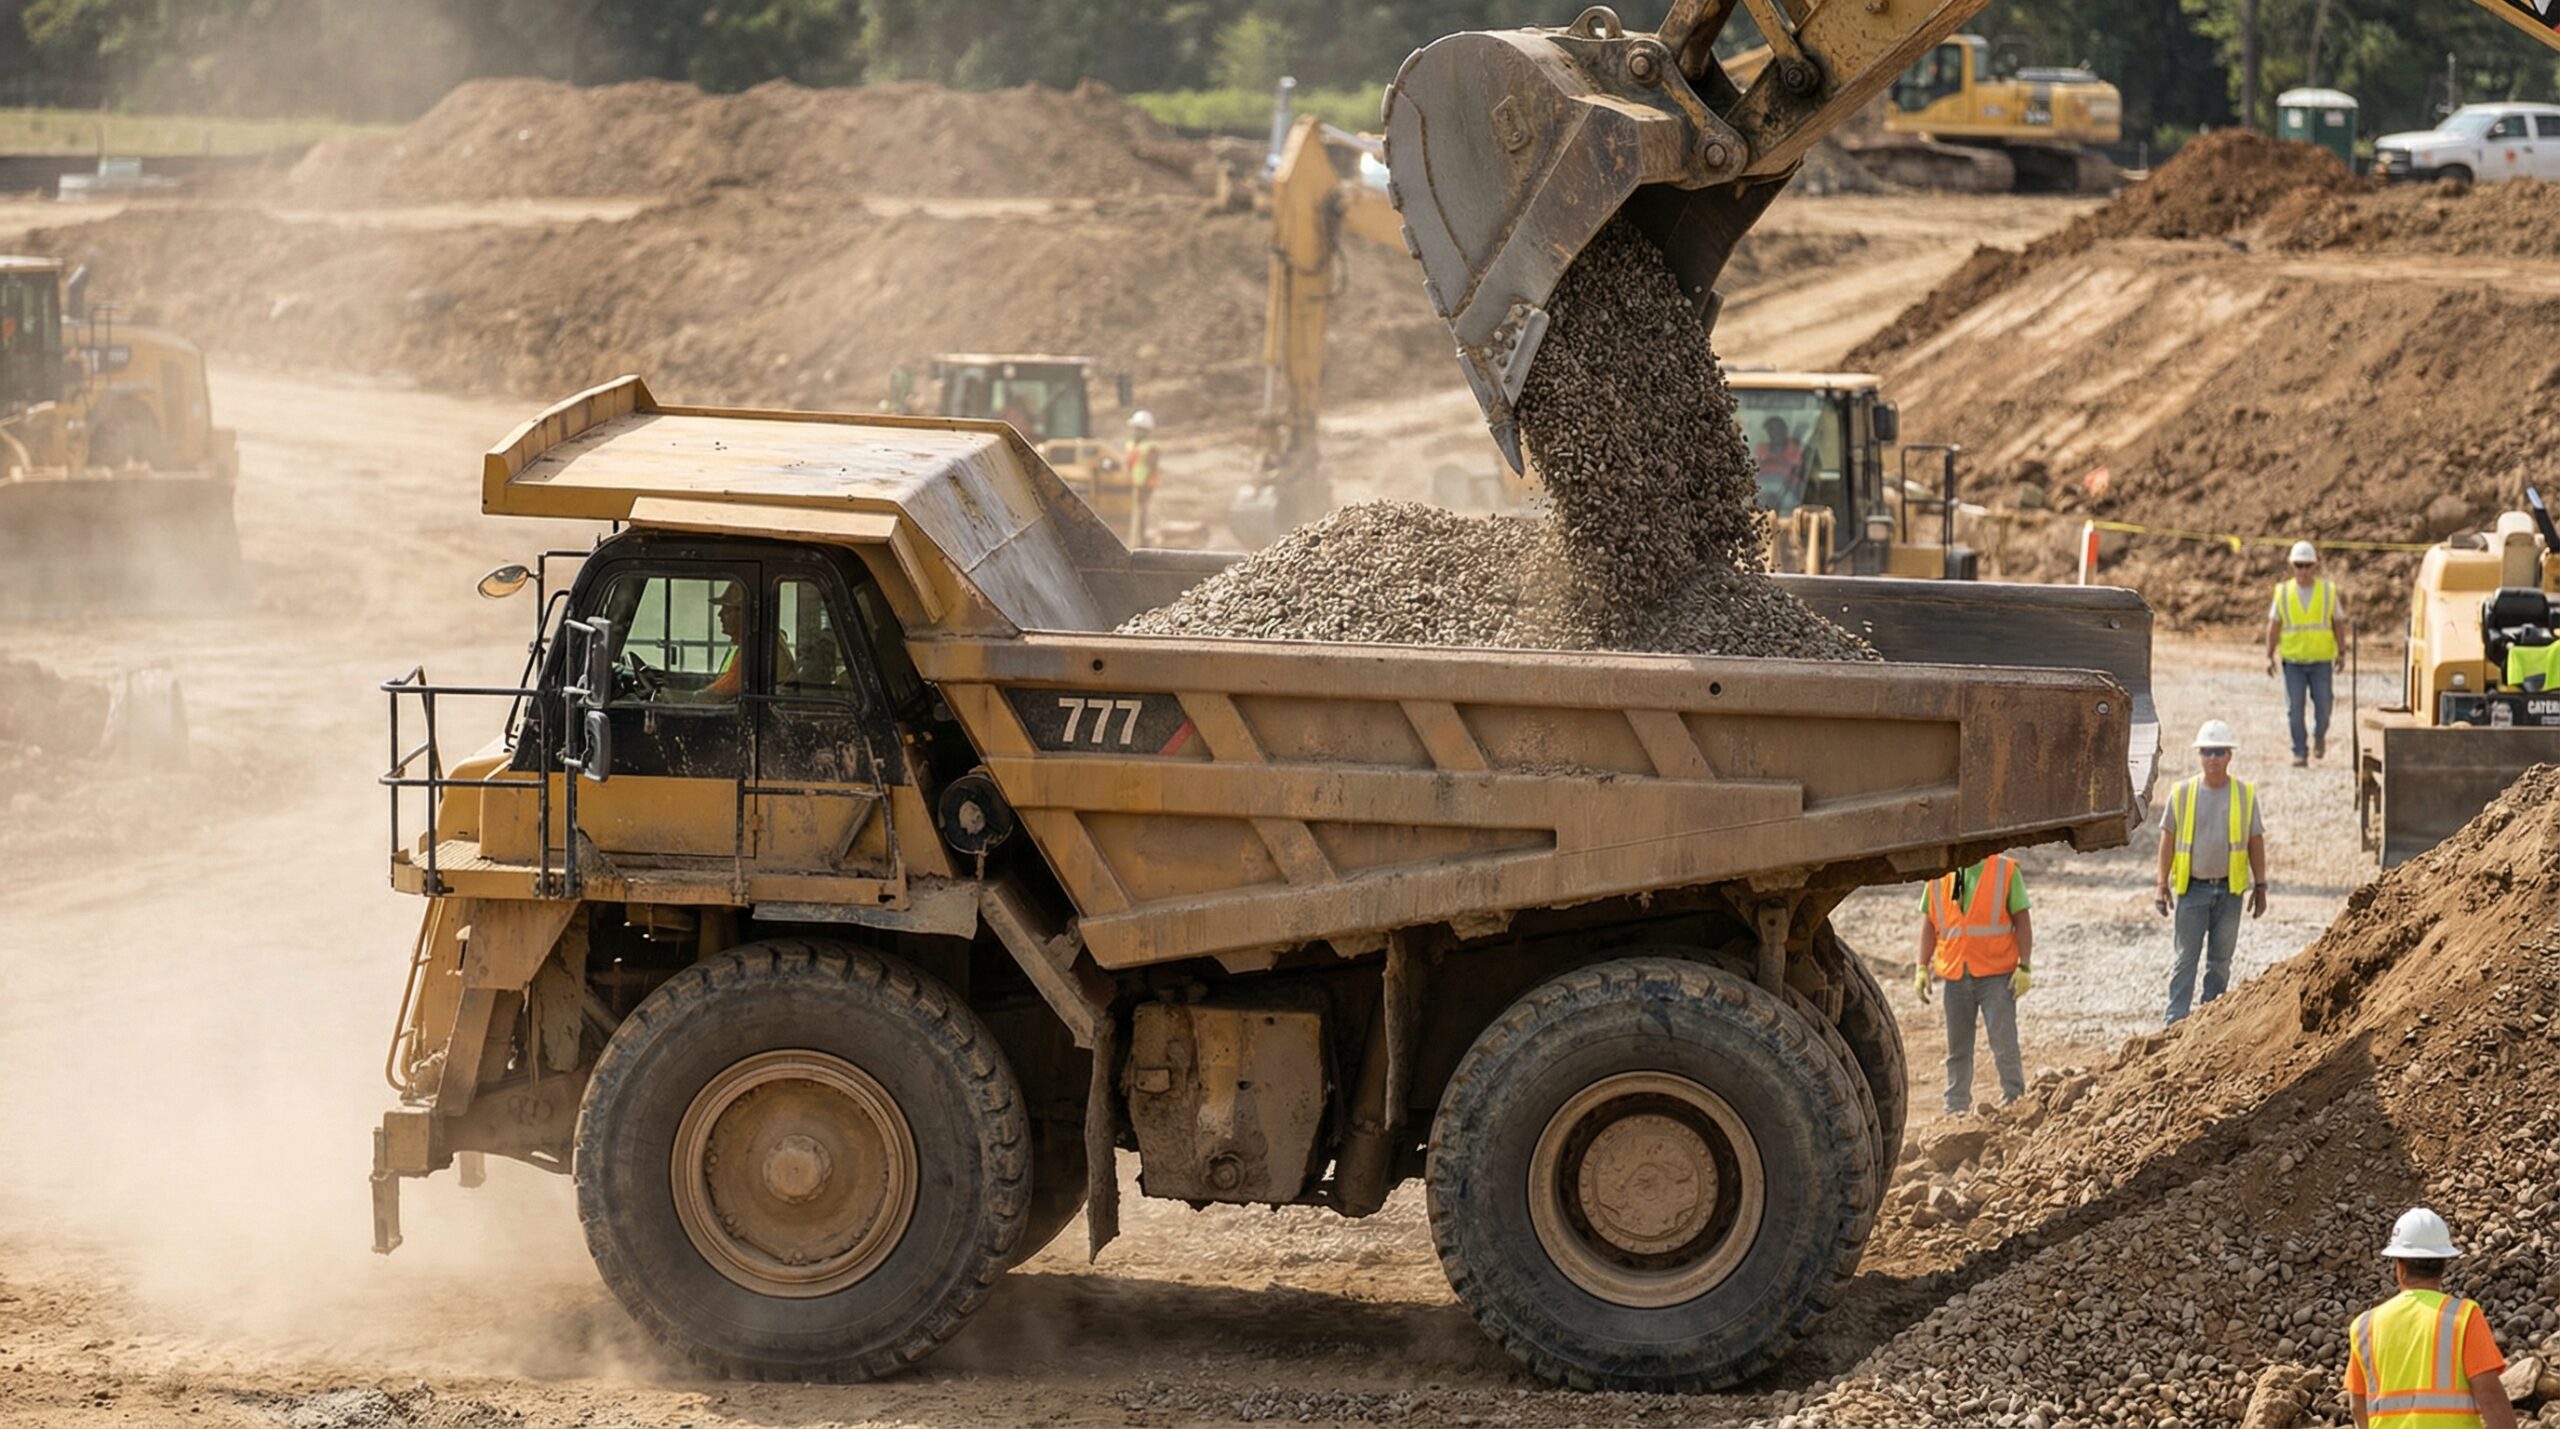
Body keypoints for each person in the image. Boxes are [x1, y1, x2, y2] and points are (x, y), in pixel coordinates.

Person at [2345, 1208, 2515, 1429]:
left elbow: (2357, 1405)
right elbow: (2490, 1397)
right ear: (2444, 1264)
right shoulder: (2463, 1316)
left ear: (2399, 1266)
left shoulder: (2364, 1326)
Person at [2153, 719, 2267, 1025]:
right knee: (2185, 959)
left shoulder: (2244, 794)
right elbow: (2168, 840)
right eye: (2207, 752)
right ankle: (2175, 1022)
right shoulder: (2183, 793)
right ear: (2199, 755)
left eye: (2218, 752)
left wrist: (2261, 886)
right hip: (2193, 890)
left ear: (2230, 755)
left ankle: (2210, 1019)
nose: (2213, 758)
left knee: (2220, 962)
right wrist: (2161, 884)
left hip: (2230, 891)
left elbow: (2256, 842)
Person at [1912, 854, 2033, 1114]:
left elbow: (2022, 920)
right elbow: (1930, 924)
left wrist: (2025, 966)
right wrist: (1922, 966)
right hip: (1956, 975)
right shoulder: (1938, 874)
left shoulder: (2005, 870)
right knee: (1958, 1049)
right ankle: (1956, 1107)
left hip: (1996, 975)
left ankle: (2015, 1100)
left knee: (2004, 1044)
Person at [2266, 540, 2350, 767]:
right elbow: (2273, 625)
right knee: (2295, 710)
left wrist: (2342, 652)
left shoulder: (2327, 591)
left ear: (2315, 566)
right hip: (2293, 661)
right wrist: (2269, 655)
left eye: (2307, 565)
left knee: (2324, 706)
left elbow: (2338, 623)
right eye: (2298, 565)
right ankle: (2300, 752)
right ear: (2292, 566)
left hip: (2321, 661)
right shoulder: (2283, 592)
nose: (2303, 570)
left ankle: (2319, 735)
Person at [1753, 417, 1808, 510]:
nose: (1775, 434)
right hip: (1763, 489)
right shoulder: (1761, 449)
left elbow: (1799, 473)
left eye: (1778, 430)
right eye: (1771, 430)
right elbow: (1754, 472)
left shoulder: (1795, 449)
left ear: (1785, 431)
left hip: (1788, 491)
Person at [1123, 410, 1161, 544]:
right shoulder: (1130, 444)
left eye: (1138, 429)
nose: (1135, 432)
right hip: (1134, 485)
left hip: (1145, 487)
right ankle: (1135, 541)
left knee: (1142, 515)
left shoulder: (1151, 447)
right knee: (1134, 515)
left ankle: (1142, 543)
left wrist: (1144, 486)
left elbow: (1152, 468)